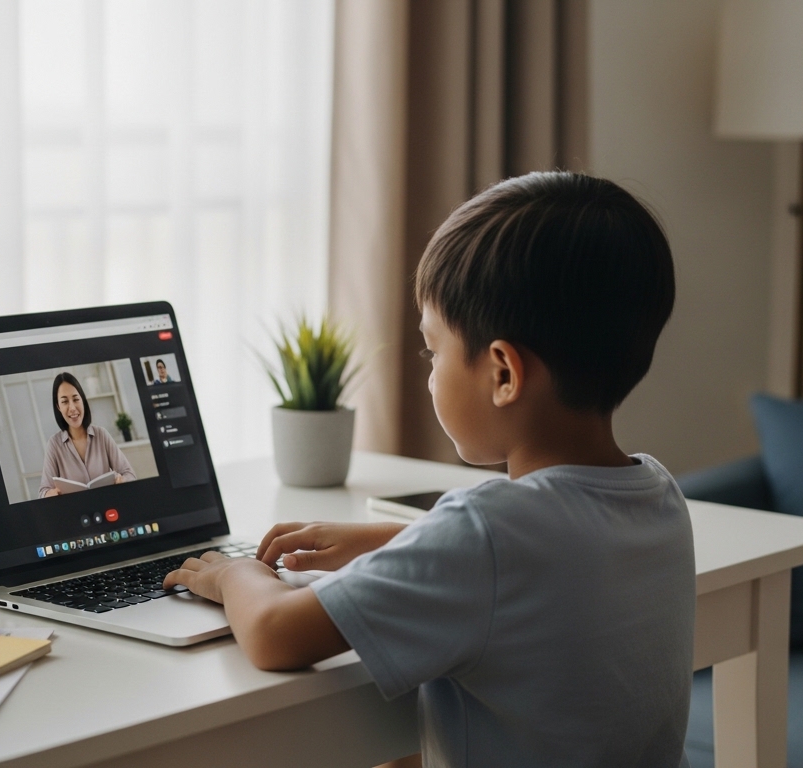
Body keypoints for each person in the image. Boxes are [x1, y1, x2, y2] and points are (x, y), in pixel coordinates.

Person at [166, 172, 695, 767]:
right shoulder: (658, 494)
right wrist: (397, 541)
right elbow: (548, 562)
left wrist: (229, 574)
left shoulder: (487, 530)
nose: (429, 369)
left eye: (432, 349)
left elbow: (275, 633)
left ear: (503, 374)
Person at [39, 372, 135, 497]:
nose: (72, 407)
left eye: (75, 399)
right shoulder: (54, 445)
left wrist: (122, 480)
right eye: (64, 402)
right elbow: (43, 491)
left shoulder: (101, 435)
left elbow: (129, 474)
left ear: (83, 400)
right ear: (58, 406)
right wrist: (48, 494)